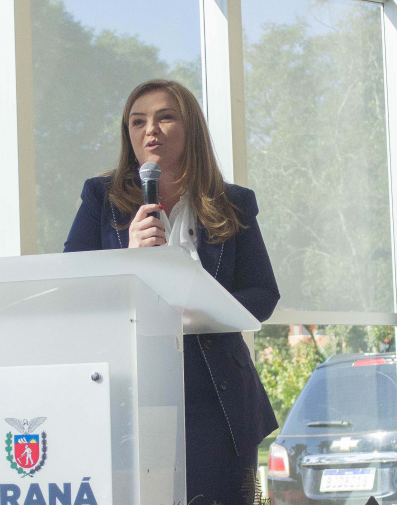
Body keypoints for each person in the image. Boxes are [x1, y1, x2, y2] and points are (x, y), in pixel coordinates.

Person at [64, 79, 280, 505]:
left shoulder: (233, 202)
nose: (150, 130)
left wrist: (206, 309)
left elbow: (262, 292)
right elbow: (74, 286)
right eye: (137, 121)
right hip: (131, 387)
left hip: (215, 391)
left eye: (165, 117)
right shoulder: (102, 198)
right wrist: (127, 257)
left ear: (190, 128)